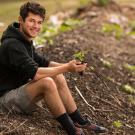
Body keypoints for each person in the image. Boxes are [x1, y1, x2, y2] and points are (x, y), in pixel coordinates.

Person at [0, 2, 107, 135]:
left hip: (20, 92)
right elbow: (36, 73)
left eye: (39, 22)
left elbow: (43, 62)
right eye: (32, 21)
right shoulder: (12, 44)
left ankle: (79, 121)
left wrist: (71, 65)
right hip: (6, 101)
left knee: (57, 76)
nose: (36, 26)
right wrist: (67, 68)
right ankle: (71, 130)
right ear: (20, 20)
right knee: (47, 82)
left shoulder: (23, 38)